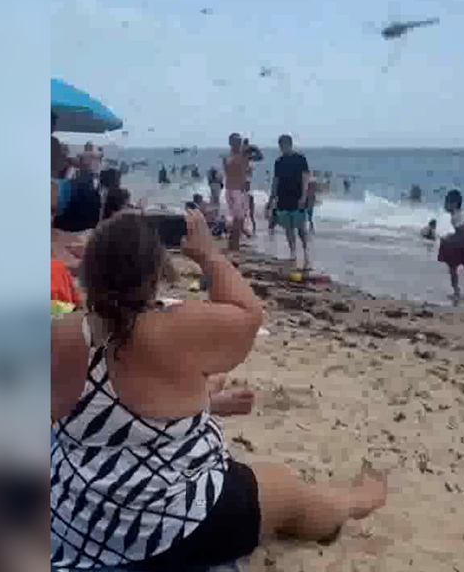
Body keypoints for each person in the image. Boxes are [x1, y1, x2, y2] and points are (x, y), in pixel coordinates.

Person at [50, 211, 387, 571]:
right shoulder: (176, 327)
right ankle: (352, 503)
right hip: (168, 526)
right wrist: (209, 255)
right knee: (286, 491)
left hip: (80, 516)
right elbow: (248, 313)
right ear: (156, 273)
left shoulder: (63, 335)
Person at [270, 134, 312, 268]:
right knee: (288, 228)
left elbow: (306, 178)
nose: (282, 148)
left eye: (284, 145)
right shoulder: (278, 162)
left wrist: (304, 197)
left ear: (290, 144)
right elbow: (276, 181)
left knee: (301, 228)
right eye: (280, 146)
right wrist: (272, 197)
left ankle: (306, 252)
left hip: (297, 197)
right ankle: (293, 252)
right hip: (283, 198)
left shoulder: (300, 159)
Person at [223, 133, 251, 252]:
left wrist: (252, 147)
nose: (238, 143)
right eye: (235, 141)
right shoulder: (228, 156)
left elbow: (260, 157)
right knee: (236, 217)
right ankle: (233, 242)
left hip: (239, 189)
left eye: (239, 141)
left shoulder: (244, 154)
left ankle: (234, 242)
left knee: (239, 218)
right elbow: (228, 171)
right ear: (230, 142)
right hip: (229, 189)